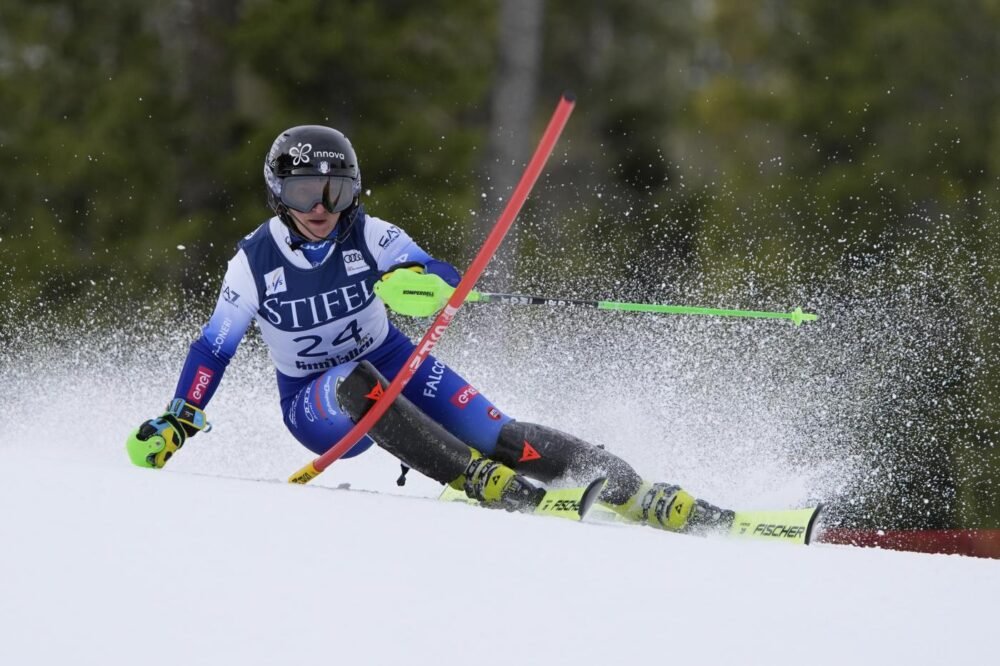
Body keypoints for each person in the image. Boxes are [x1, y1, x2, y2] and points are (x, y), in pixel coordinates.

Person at [125, 124, 733, 533]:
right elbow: (214, 347)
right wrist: (181, 418)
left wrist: (423, 282)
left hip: (396, 359)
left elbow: (435, 272)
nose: (319, 206)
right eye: (304, 190)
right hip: (316, 401)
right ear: (278, 193)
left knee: (502, 434)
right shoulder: (253, 261)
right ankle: (470, 477)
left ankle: (635, 489)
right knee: (355, 383)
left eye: (334, 190)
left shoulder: (370, 234)